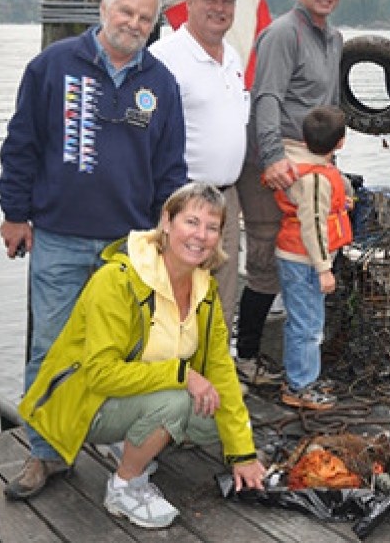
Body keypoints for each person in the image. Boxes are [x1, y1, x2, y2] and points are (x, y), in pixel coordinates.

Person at [0, 0, 188, 500]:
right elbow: (20, 147)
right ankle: (45, 453)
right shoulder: (51, 66)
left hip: (128, 247)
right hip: (57, 237)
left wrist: (166, 238)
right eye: (125, 11)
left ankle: (114, 443)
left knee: (122, 352)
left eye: (145, 17)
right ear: (104, 10)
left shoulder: (161, 84)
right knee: (51, 348)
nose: (133, 22)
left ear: (154, 26)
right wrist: (15, 215)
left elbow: (170, 169)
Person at [15, 183, 264, 528]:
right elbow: (100, 374)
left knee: (214, 419)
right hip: (86, 401)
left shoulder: (204, 290)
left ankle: (129, 439)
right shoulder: (116, 281)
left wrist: (243, 454)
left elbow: (221, 370)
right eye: (191, 222)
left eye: (212, 227)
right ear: (166, 221)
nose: (201, 236)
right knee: (177, 401)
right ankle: (124, 486)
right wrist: (182, 375)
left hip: (134, 393)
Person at [235, 0, 343, 385]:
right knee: (264, 256)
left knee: (304, 251)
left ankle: (294, 351)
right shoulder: (282, 32)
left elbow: (325, 103)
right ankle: (245, 356)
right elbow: (266, 98)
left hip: (312, 161)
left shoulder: (333, 38)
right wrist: (273, 155)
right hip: (274, 160)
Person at [150, 0, 250, 332]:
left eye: (227, 0)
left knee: (221, 298)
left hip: (227, 197)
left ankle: (216, 376)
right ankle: (174, 379)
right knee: (176, 297)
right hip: (183, 197)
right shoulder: (164, 57)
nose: (220, 8)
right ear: (189, 2)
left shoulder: (233, 57)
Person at [273, 108, 352, 410]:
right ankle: (299, 385)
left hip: (300, 259)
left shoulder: (307, 168)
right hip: (304, 261)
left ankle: (303, 374)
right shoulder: (315, 180)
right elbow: (313, 225)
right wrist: (324, 269)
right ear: (341, 143)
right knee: (308, 326)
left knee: (306, 322)